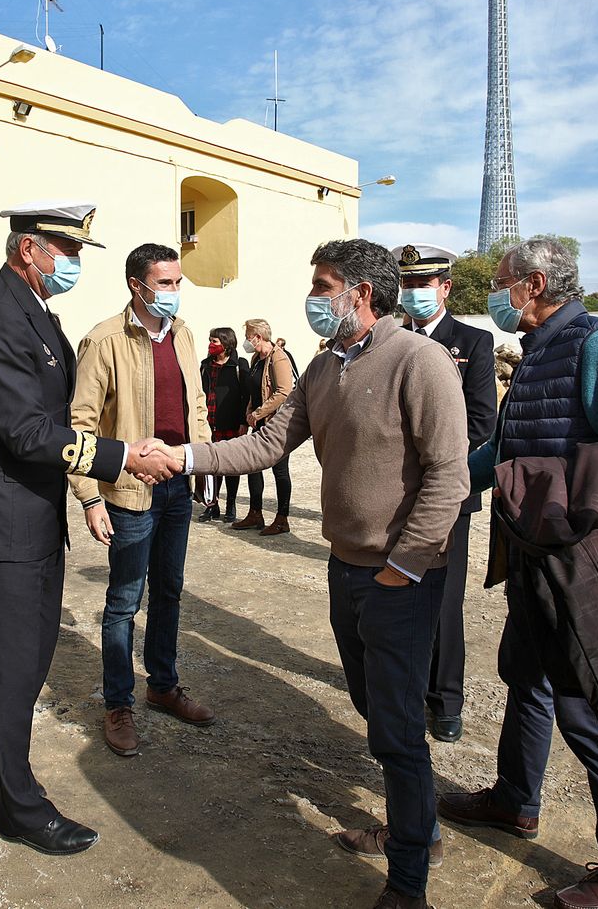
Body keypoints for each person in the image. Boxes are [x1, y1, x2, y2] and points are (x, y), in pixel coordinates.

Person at [157, 238, 469, 909]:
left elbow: (450, 478)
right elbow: (268, 441)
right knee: (372, 707)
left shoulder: (421, 361)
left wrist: (403, 569)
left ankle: (410, 876)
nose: (313, 298)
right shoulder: (326, 367)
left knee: (395, 729)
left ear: (359, 292)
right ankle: (422, 822)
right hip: (345, 570)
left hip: (403, 580)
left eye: (323, 285)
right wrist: (185, 459)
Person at [437, 236, 598, 909]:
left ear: (534, 283)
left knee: (587, 712)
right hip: (533, 556)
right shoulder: (541, 349)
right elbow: (510, 448)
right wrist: (451, 478)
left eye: (504, 280)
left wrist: (554, 491)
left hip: (575, 562)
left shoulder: (597, 345)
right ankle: (516, 799)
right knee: (526, 677)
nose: (496, 292)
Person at [0, 201, 173, 856]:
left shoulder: (36, 311)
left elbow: (63, 411)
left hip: (31, 515)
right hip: (2, 524)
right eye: (66, 252)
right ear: (28, 250)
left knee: (22, 654)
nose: (73, 263)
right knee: (19, 662)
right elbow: (26, 432)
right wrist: (121, 456)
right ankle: (20, 808)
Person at [71, 243, 215, 758]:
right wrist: (89, 497)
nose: (176, 292)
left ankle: (162, 684)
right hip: (130, 493)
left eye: (179, 282)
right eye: (168, 283)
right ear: (138, 285)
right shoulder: (104, 340)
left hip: (177, 487)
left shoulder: (183, 334)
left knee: (170, 592)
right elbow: (80, 426)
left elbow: (196, 405)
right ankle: (118, 703)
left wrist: (201, 461)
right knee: (124, 601)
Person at [397, 244, 497, 744]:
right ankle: (409, 690)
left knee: (443, 600)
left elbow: (481, 422)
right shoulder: (389, 340)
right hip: (393, 495)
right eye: (407, 285)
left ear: (445, 288)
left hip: (446, 493)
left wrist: (432, 462)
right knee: (397, 594)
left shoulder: (473, 343)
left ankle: (446, 699)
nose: (413, 294)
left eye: (423, 285)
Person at [233, 318, 294, 535]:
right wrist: (250, 411)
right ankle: (255, 513)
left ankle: (282, 518)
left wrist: (260, 412)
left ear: (258, 337)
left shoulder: (278, 357)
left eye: (248, 336)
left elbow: (284, 391)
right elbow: (254, 389)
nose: (246, 341)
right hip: (258, 423)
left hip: (276, 423)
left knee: (280, 470)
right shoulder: (255, 359)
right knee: (254, 466)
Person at [197, 327, 248, 523]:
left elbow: (246, 395)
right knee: (211, 467)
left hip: (231, 423)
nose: (211, 344)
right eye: (210, 340)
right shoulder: (205, 366)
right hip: (209, 424)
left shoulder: (238, 365)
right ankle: (212, 505)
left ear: (226, 344)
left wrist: (243, 421)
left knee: (231, 466)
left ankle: (231, 505)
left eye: (215, 341)